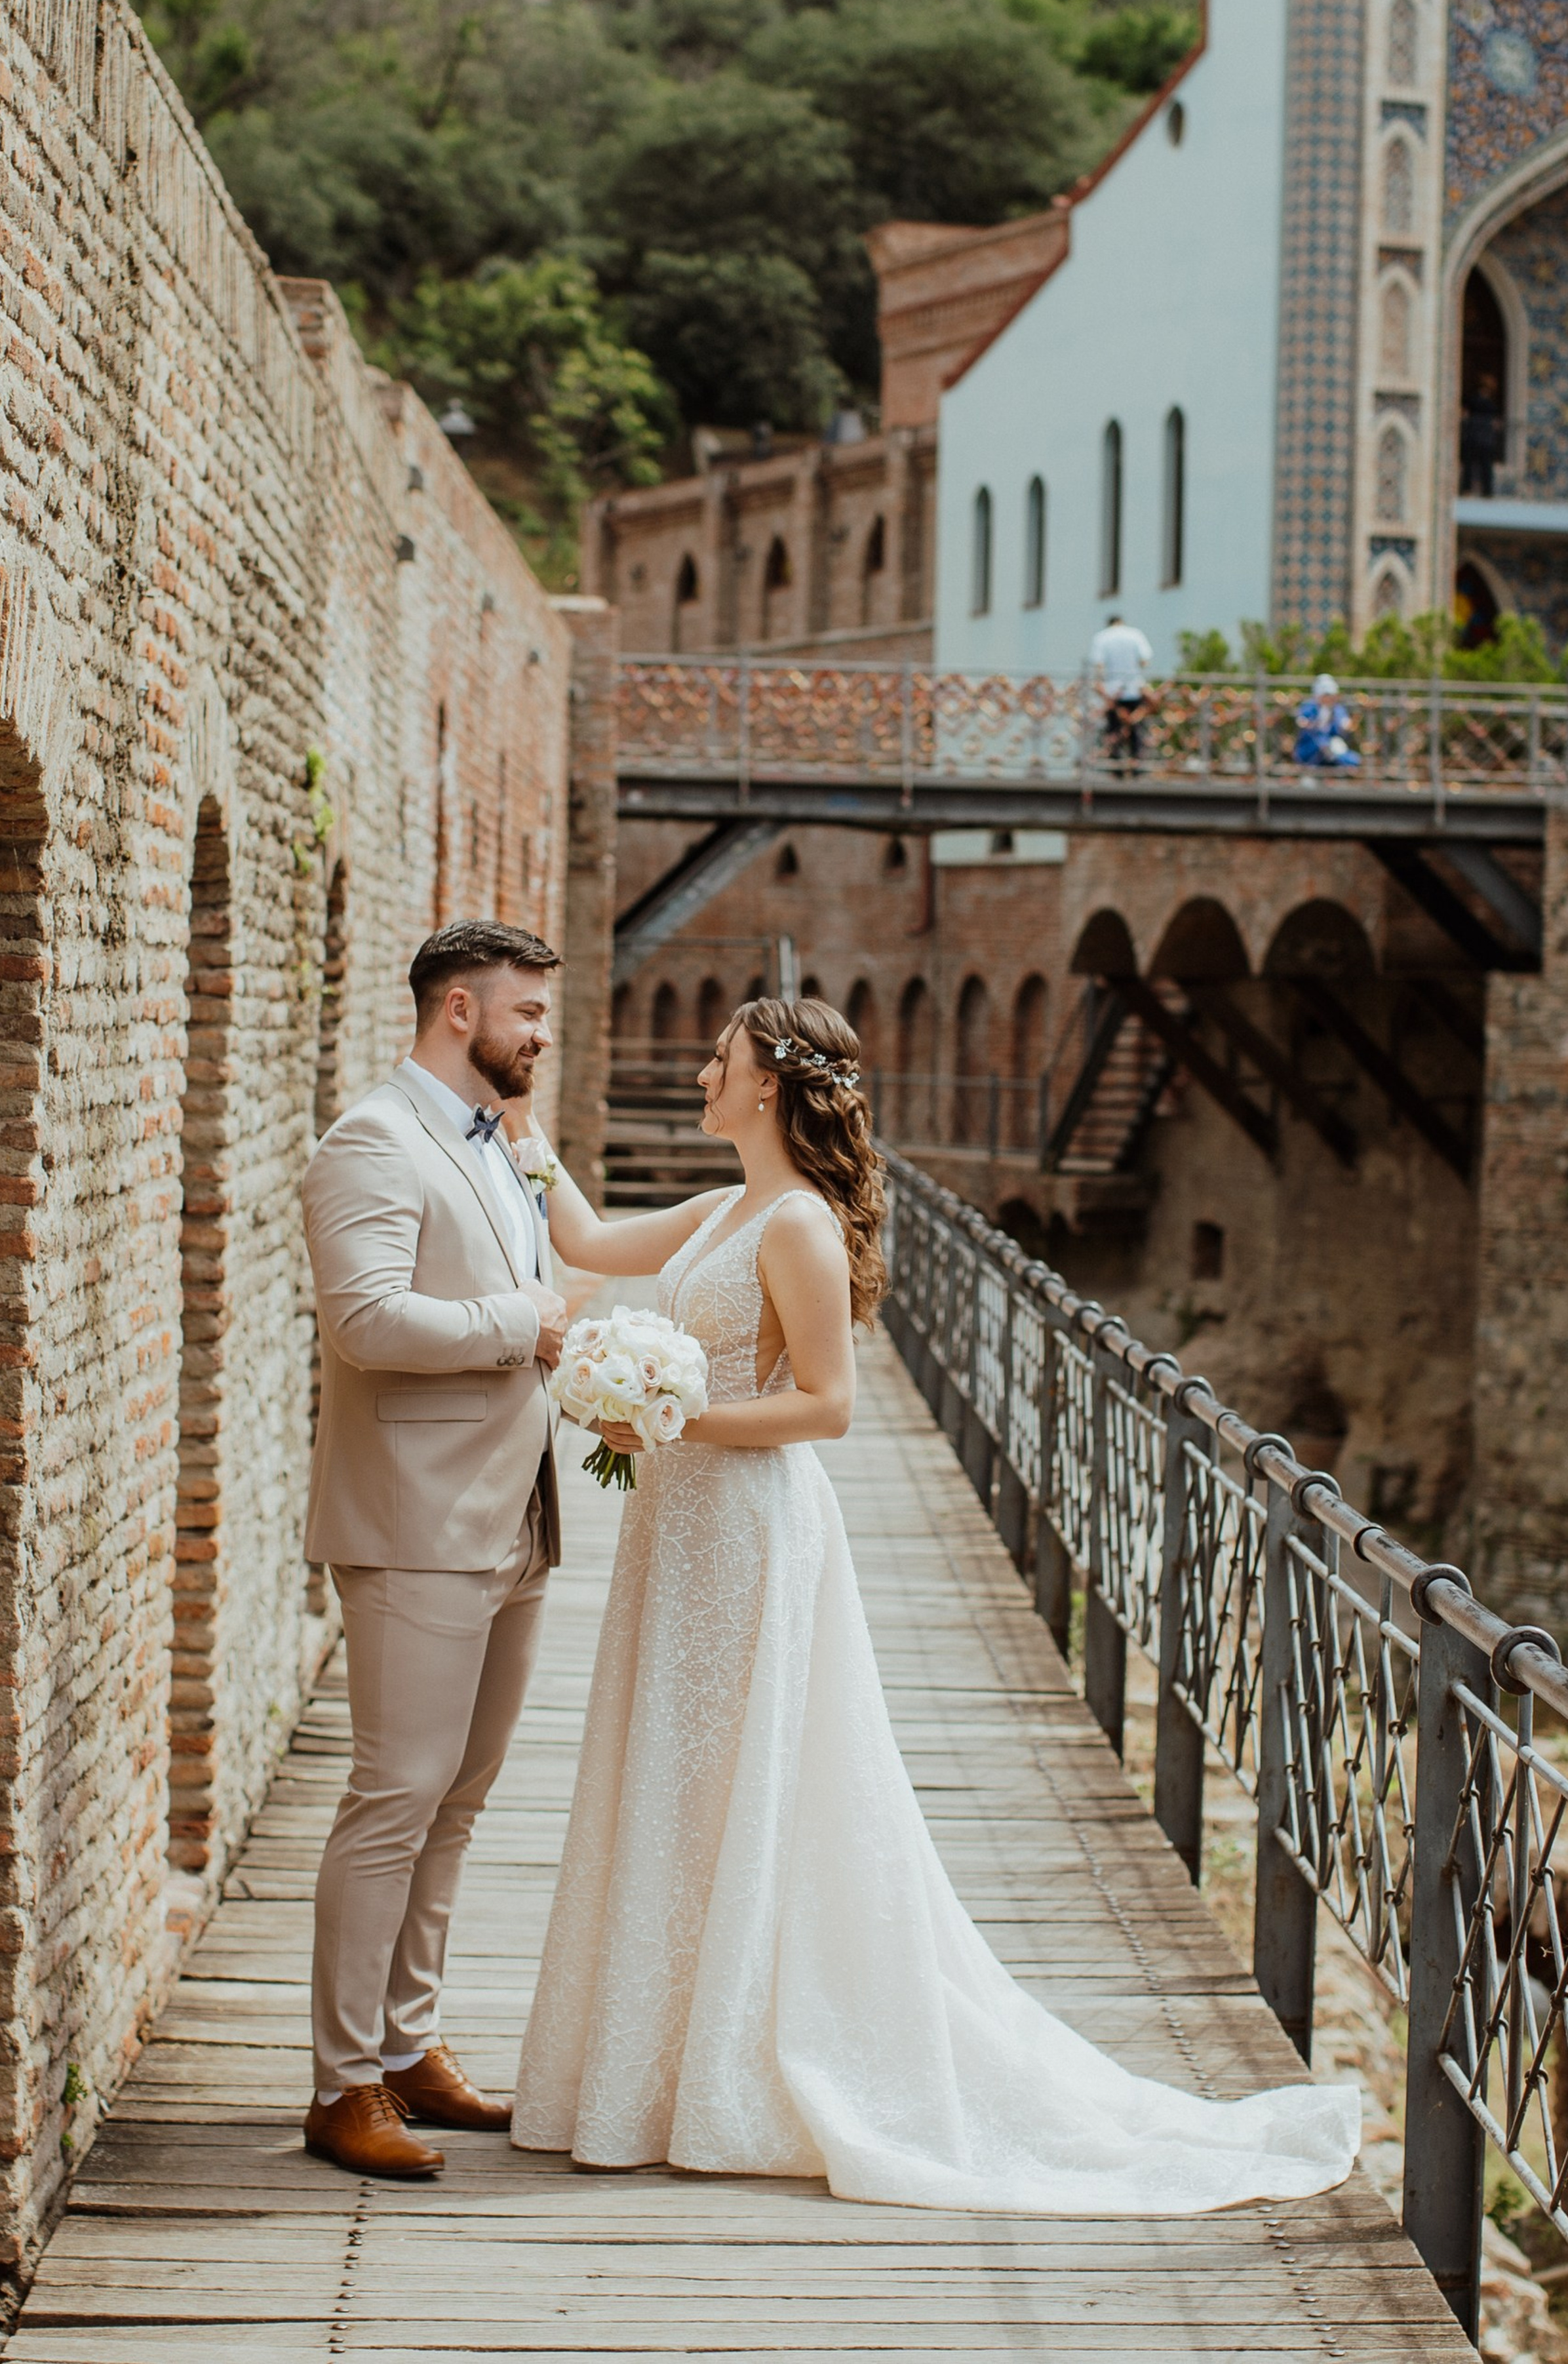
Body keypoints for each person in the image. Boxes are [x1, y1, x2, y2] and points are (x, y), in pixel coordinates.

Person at [507, 997, 1359, 2213]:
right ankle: (648, 2069)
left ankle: (724, 2072)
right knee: (674, 1775)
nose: (700, 1071)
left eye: (721, 1060)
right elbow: (588, 1244)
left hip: (750, 1528)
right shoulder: (720, 1210)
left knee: (742, 1779)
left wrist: (669, 1417)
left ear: (769, 1090)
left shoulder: (794, 1226)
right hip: (677, 1529)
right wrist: (520, 1132)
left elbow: (829, 1406)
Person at [299, 919, 569, 2178]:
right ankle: (343, 2086)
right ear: (459, 1009)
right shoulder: (372, 1140)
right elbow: (365, 1323)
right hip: (415, 1524)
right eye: (526, 1014)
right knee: (394, 1799)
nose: (539, 1037)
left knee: (457, 1803)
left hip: (512, 1515)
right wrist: (525, 1321)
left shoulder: (495, 1143)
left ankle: (411, 2048)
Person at [1087, 612, 1154, 772]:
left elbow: (1099, 665)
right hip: (1134, 688)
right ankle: (1137, 765)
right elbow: (1145, 660)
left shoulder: (1102, 637)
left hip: (1113, 690)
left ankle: (1115, 767)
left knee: (1114, 728)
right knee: (1136, 726)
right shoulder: (1135, 635)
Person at [1294, 675, 1360, 774]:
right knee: (1320, 748)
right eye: (1326, 696)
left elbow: (1345, 724)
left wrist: (1351, 723)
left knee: (1352, 758)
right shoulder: (1310, 706)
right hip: (1310, 747)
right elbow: (1302, 721)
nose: (1330, 699)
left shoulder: (1337, 708)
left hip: (1331, 748)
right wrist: (1311, 724)